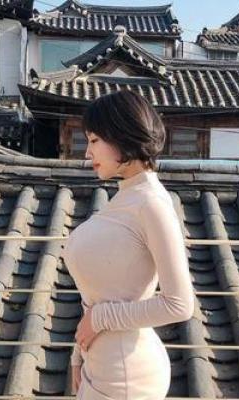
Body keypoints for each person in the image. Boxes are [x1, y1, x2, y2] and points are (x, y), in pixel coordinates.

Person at [61, 90, 195, 400]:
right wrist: (79, 352)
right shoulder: (128, 196)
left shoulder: (151, 203)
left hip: (126, 377)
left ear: (121, 135)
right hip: (103, 366)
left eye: (94, 140)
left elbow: (179, 304)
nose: (87, 153)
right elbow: (100, 295)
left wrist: (100, 319)